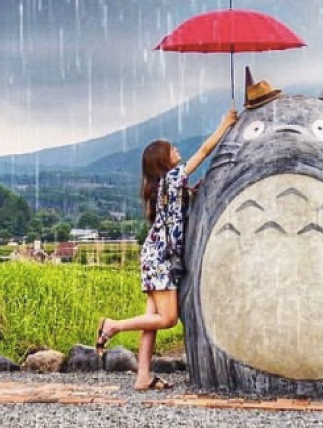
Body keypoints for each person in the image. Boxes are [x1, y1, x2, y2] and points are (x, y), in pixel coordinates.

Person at [96, 106, 238, 390]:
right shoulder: (172, 179)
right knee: (168, 319)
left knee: (151, 320)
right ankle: (114, 326)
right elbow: (205, 150)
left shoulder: (165, 187)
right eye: (170, 148)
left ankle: (143, 376)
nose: (176, 149)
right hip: (161, 257)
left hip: (156, 255)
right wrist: (226, 124)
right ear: (163, 161)